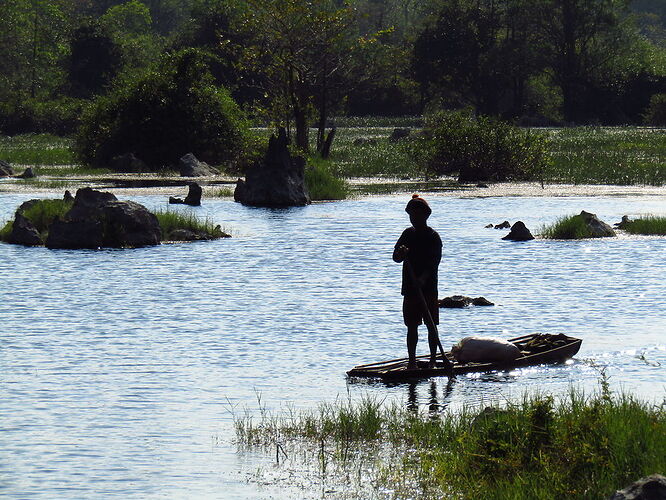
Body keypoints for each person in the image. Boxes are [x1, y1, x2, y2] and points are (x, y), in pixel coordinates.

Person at [393, 194, 442, 369]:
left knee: (431, 325)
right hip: (410, 289)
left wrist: (423, 279)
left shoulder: (433, 237)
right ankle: (412, 362)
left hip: (428, 289)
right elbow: (395, 257)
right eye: (411, 215)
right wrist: (400, 254)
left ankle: (433, 361)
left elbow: (434, 262)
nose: (414, 219)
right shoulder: (407, 234)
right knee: (412, 326)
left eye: (417, 215)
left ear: (425, 215)